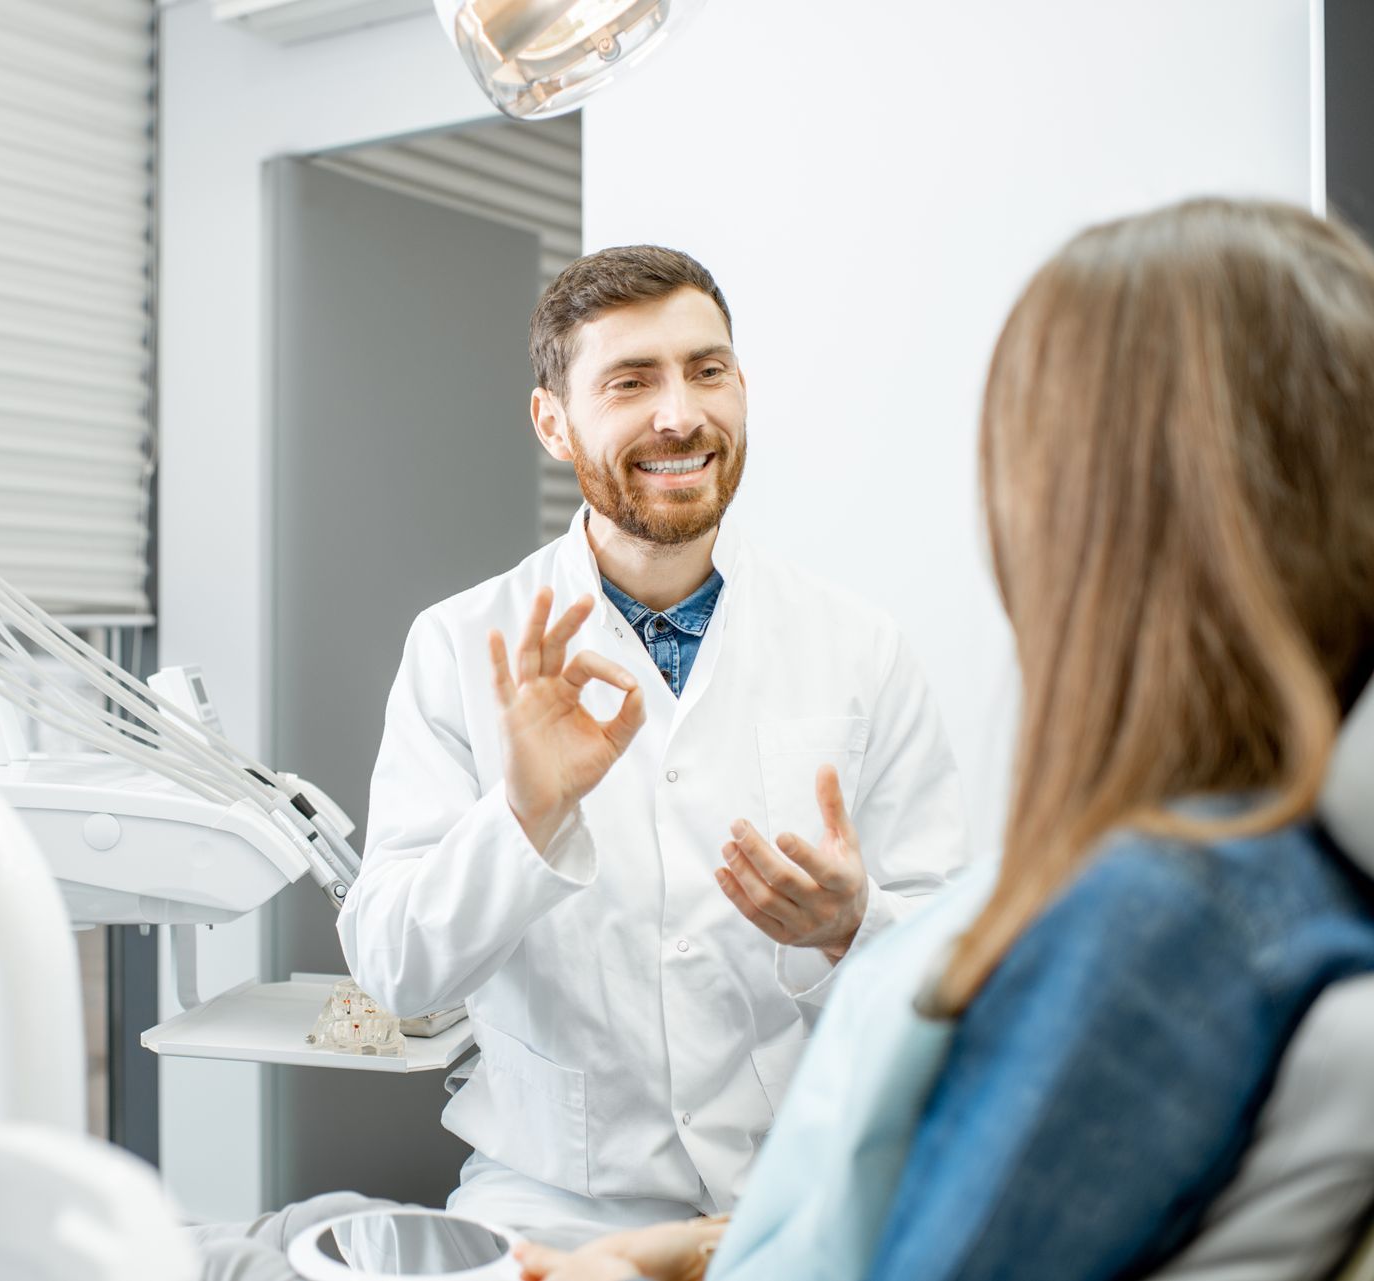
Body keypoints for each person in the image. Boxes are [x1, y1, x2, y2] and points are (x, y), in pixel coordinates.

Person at [511, 198, 1374, 1281]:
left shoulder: (1166, 921)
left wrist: (851, 924)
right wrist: (698, 1253)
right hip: (596, 1197)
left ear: (1112, 507)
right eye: (632, 381)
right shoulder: (1251, 875)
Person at [335, 243, 970, 1238]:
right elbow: (394, 967)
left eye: (707, 370)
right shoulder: (460, 645)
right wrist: (525, 818)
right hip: (551, 1209)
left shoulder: (859, 647)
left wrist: (855, 928)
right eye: (631, 382)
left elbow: (956, 966)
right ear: (553, 422)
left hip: (798, 1198)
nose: (680, 414)